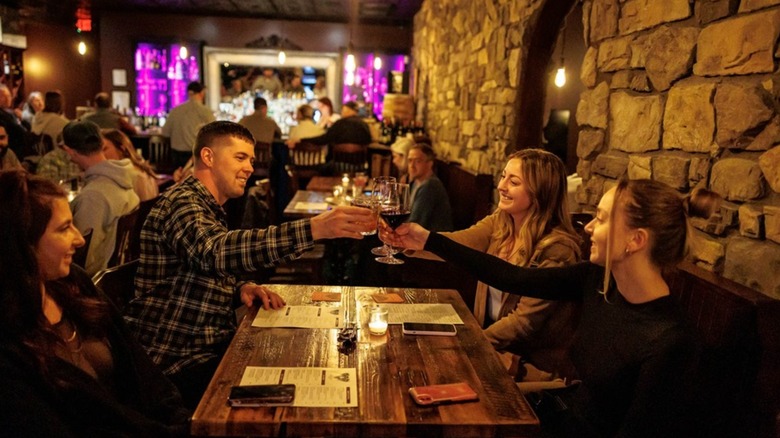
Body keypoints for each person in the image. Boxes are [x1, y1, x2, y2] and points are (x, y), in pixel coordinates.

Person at [390, 178, 720, 437]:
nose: (589, 227)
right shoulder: (599, 280)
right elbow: (514, 278)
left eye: (601, 219)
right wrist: (428, 240)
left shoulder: (672, 342)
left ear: (636, 241)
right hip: (558, 416)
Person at [123, 121, 374, 409]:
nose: (250, 168)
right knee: (304, 386)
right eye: (240, 157)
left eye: (251, 160)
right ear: (208, 157)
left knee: (307, 365)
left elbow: (192, 271)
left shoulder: (206, 207)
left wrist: (239, 287)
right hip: (175, 364)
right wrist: (313, 229)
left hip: (206, 349)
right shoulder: (182, 202)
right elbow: (214, 251)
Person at [0, 170, 190, 436]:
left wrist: (181, 420)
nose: (79, 239)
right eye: (64, 228)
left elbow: (141, 369)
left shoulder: (73, 284)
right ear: (23, 244)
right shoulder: (11, 342)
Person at [408, 149, 581, 377]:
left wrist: (470, 343)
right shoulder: (501, 223)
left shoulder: (558, 250)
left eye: (514, 181)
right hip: (492, 350)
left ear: (540, 191)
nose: (502, 186)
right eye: (503, 176)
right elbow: (457, 246)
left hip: (529, 369)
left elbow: (524, 323)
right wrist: (411, 241)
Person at [62, 121, 139, 275]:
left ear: (69, 151)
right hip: (120, 276)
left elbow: (84, 259)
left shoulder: (93, 197)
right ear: (102, 143)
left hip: (96, 282)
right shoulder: (124, 178)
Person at [162, 81, 215, 169]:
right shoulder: (205, 112)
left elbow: (165, 133)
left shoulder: (175, 110)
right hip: (195, 157)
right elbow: (214, 133)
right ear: (202, 93)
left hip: (175, 157)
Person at [102, 129, 159, 201]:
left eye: (104, 149)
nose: (101, 154)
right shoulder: (133, 170)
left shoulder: (134, 175)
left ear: (122, 148)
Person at [406, 143, 453, 231]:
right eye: (409, 160)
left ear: (429, 164)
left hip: (433, 241)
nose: (411, 166)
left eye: (417, 161)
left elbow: (415, 223)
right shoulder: (417, 181)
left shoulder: (430, 186)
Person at [287, 101, 371, 149]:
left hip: (338, 166)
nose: (342, 112)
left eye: (343, 109)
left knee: (324, 168)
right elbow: (368, 140)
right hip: (360, 166)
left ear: (347, 110)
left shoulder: (339, 124)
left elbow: (324, 139)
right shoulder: (364, 124)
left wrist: (301, 140)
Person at [0, 84, 28, 159]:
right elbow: (19, 130)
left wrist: (22, 118)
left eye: (9, 96)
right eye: (4, 96)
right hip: (11, 151)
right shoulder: (3, 114)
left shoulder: (12, 112)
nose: (8, 98)